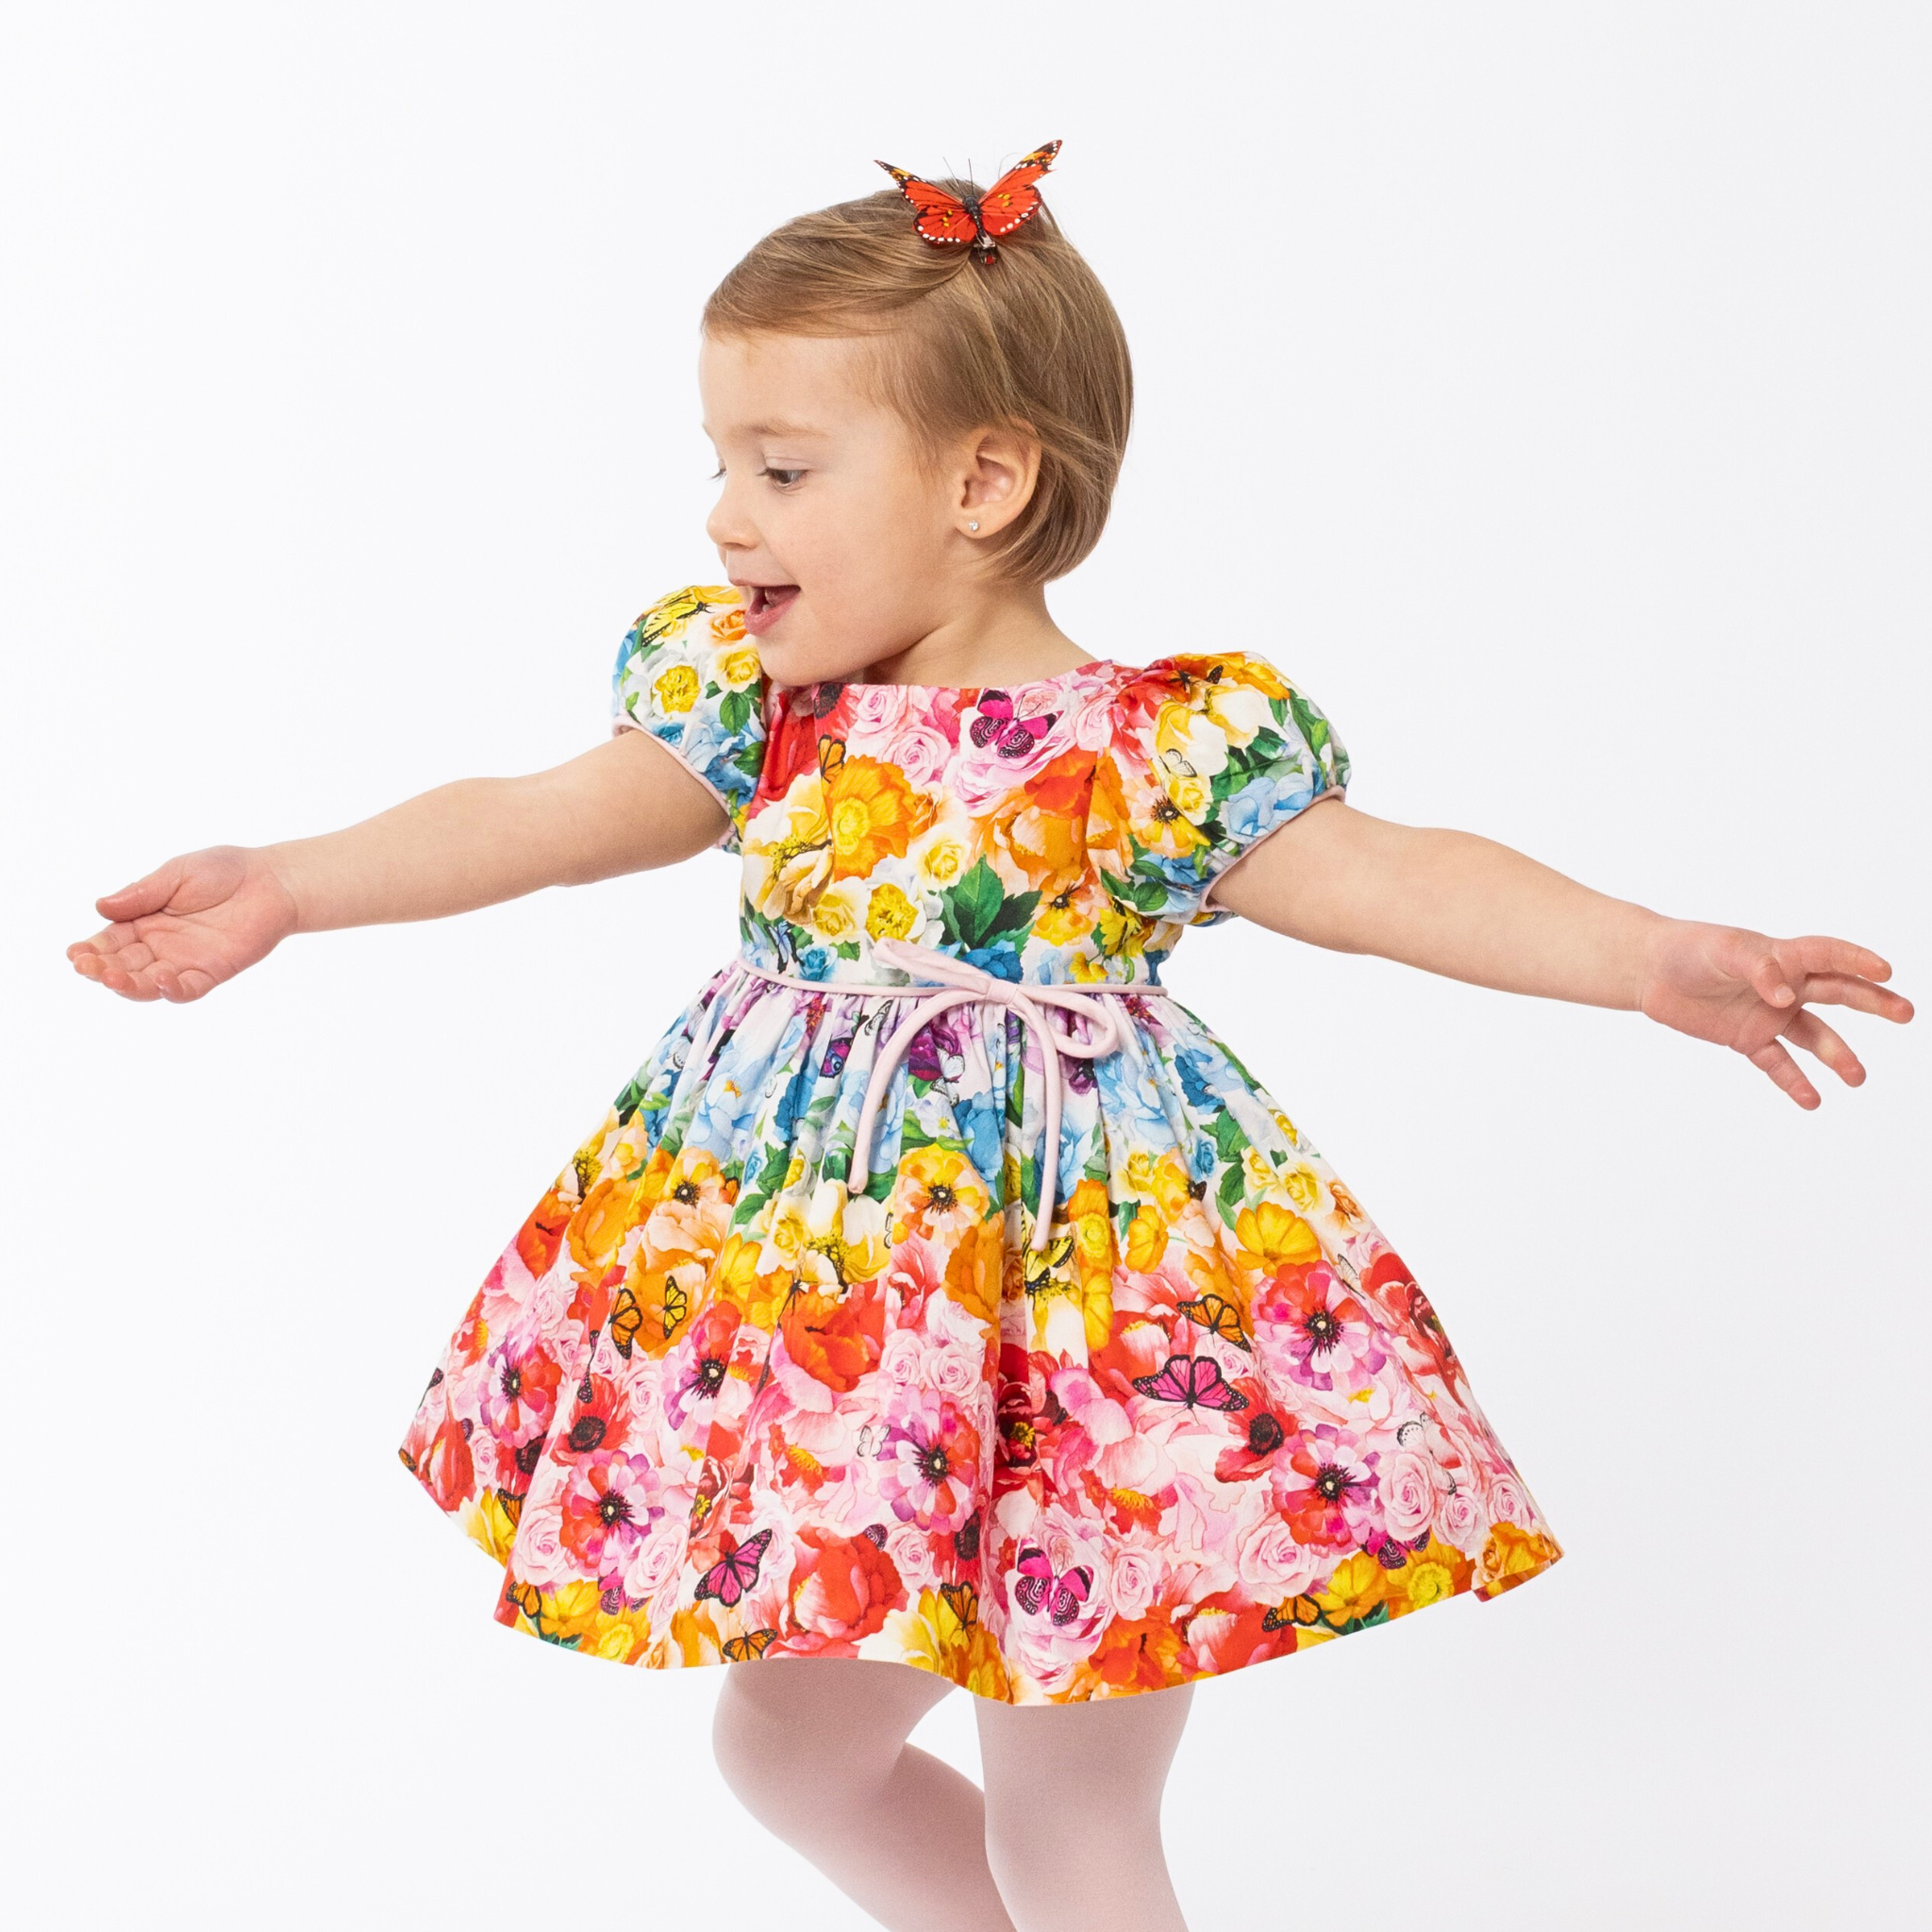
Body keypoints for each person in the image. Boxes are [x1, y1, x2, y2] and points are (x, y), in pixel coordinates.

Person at [63, 142, 1913, 1932]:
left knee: (1072, 1813)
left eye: (781, 469)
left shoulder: (1157, 745)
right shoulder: (753, 710)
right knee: (788, 1752)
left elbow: (1398, 875)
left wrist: (1649, 952)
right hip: (848, 1350)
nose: (725, 516)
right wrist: (289, 883)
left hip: (1092, 1356)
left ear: (982, 483)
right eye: (717, 463)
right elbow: (531, 817)